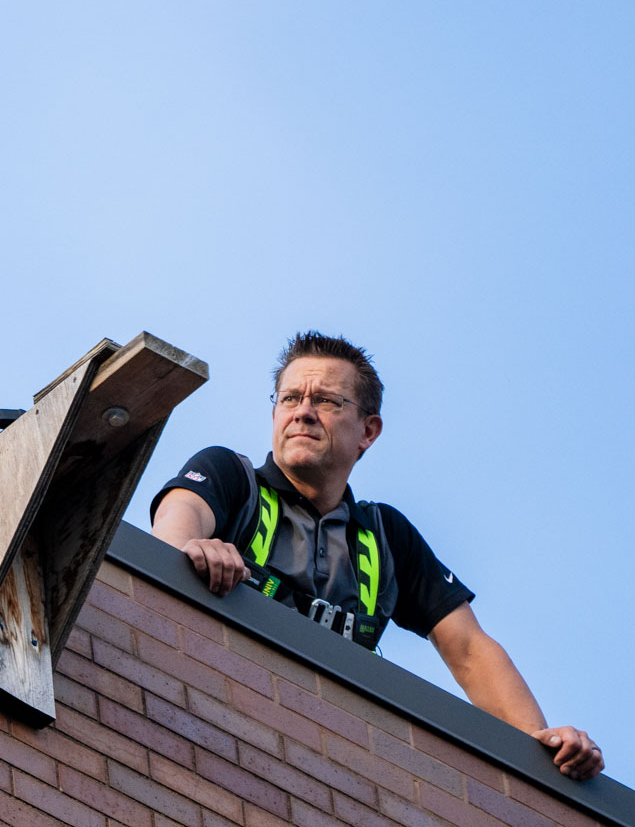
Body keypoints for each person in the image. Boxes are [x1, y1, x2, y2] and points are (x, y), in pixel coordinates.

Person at [150, 332, 602, 781]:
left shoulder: (386, 536)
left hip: (329, 762)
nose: (302, 412)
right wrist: (192, 545)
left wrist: (539, 740)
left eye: (326, 401)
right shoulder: (230, 475)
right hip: (210, 719)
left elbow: (468, 649)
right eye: (289, 398)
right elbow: (178, 519)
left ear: (368, 430)